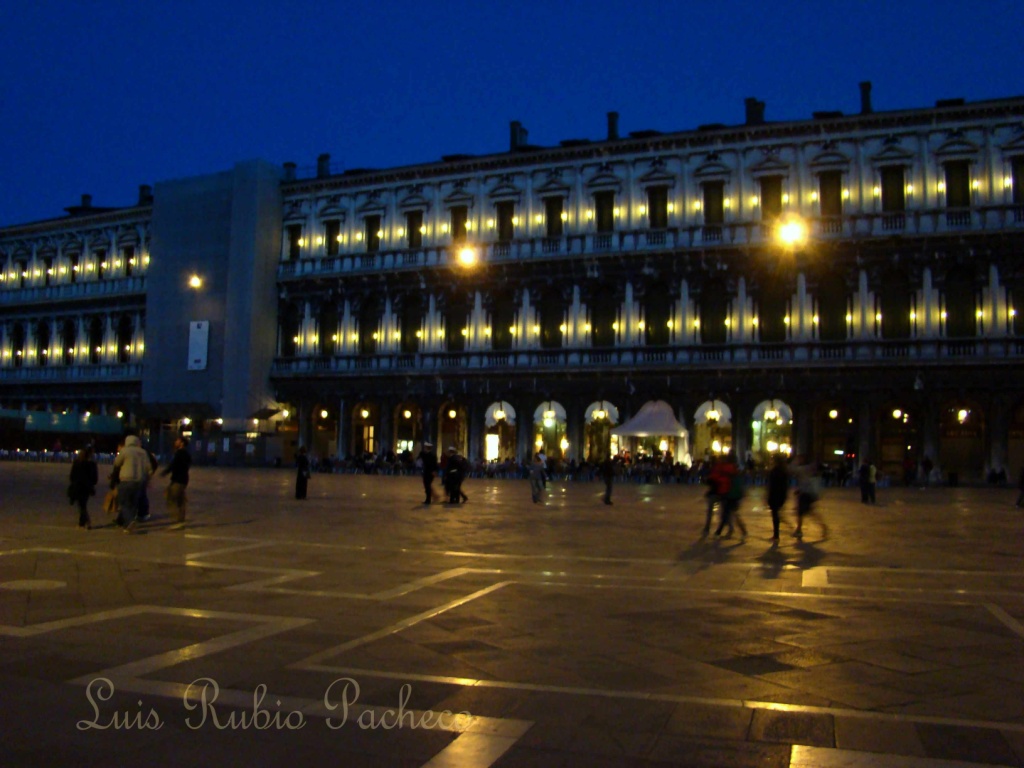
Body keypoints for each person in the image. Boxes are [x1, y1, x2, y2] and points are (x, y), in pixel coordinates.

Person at [112, 435, 154, 533]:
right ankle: (128, 524)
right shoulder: (143, 452)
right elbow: (149, 468)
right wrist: (147, 480)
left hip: (126, 480)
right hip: (139, 481)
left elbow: (117, 463)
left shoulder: (125, 451)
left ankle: (129, 521)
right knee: (133, 502)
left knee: (124, 502)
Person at [793, 457, 828, 539]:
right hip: (806, 494)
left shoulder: (805, 469)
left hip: (805, 495)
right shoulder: (810, 471)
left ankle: (799, 530)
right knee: (805, 513)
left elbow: (794, 470)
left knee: (804, 513)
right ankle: (799, 530)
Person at [161, 437, 192, 523]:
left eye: (177, 441)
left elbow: (173, 465)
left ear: (182, 443)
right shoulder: (186, 454)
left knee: (171, 497)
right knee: (180, 499)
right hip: (183, 479)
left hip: (178, 479)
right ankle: (180, 519)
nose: (175, 442)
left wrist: (165, 472)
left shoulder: (180, 453)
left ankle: (176, 518)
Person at [68, 446, 99, 529]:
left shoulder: (77, 463)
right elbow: (95, 478)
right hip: (87, 487)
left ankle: (85, 522)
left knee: (81, 505)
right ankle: (84, 522)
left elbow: (72, 476)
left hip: (78, 486)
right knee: (83, 504)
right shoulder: (92, 464)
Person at [766, 454, 789, 541]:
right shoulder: (784, 470)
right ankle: (776, 534)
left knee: (775, 514)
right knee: (776, 514)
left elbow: (771, 484)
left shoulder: (775, 471)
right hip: (781, 494)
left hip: (774, 494)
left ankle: (776, 534)